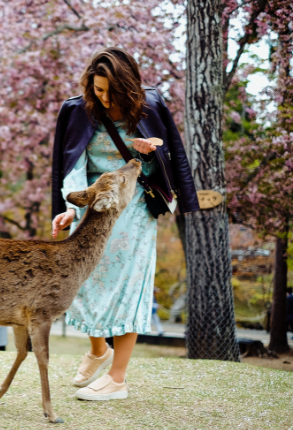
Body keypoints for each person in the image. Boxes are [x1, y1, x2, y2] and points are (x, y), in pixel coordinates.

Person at [51, 48, 199, 401]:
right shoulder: (77, 109)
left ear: (128, 87)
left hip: (134, 209)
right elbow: (71, 163)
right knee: (83, 283)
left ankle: (117, 378)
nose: (103, 98)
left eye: (110, 91)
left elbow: (171, 156)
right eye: (97, 89)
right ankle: (98, 351)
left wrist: (149, 154)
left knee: (128, 288)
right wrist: (71, 206)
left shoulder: (151, 105)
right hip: (92, 205)